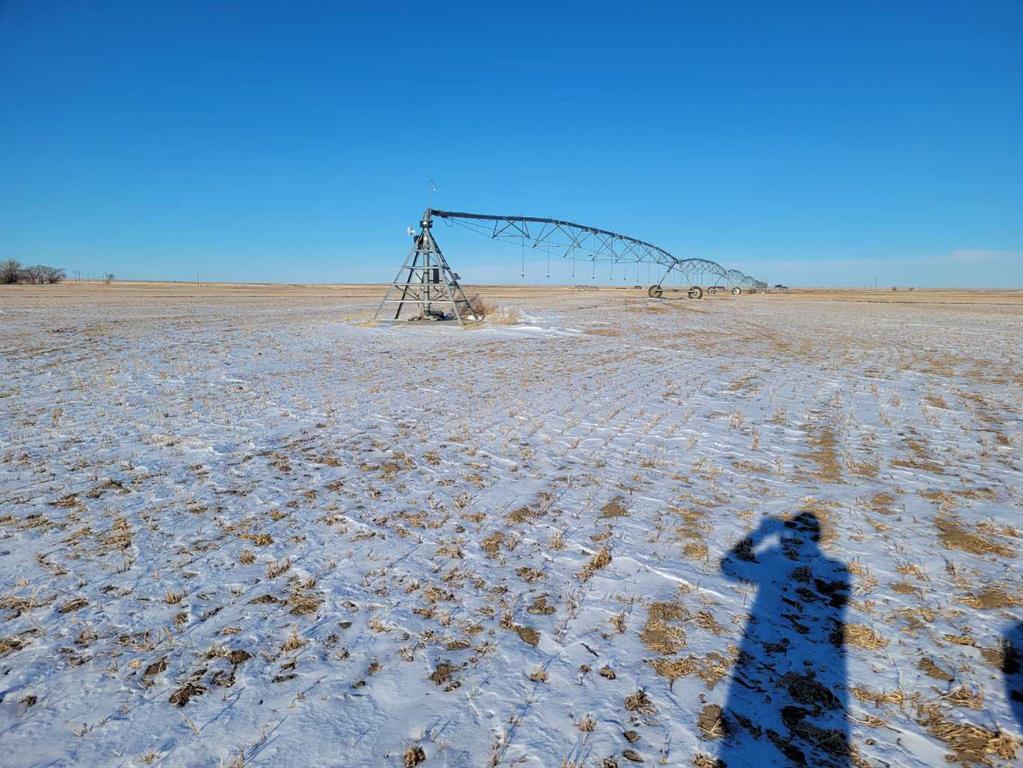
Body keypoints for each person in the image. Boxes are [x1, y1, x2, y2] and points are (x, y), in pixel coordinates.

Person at [718, 512, 851, 767]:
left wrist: (759, 534)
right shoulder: (835, 570)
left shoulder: (776, 560)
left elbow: (729, 566)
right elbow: (729, 568)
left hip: (789, 654)